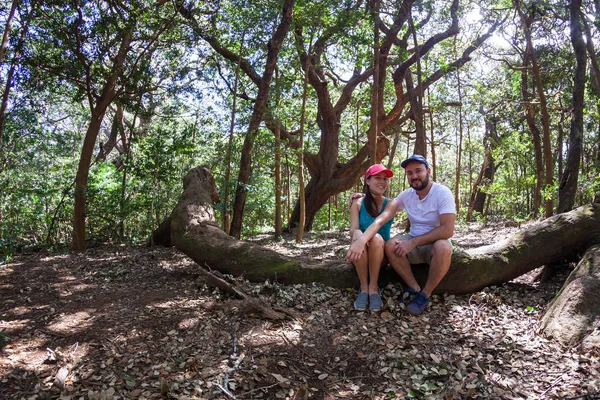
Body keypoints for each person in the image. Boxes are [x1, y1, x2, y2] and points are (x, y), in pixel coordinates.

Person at [346, 154, 456, 315]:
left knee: (444, 247)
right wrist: (364, 196)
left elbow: (447, 230)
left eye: (418, 171)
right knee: (390, 244)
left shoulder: (442, 193)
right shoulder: (407, 195)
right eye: (410, 173)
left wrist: (413, 243)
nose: (414, 176)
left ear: (428, 171)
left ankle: (425, 294)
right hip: (412, 242)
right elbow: (381, 211)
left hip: (434, 243)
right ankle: (413, 287)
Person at [345, 164, 394, 311]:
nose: (382, 182)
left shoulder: (390, 204)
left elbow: (378, 223)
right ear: (367, 181)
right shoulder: (358, 203)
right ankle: (364, 288)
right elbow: (353, 229)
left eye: (385, 179)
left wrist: (361, 240)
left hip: (381, 254)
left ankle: (374, 288)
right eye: (377, 178)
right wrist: (357, 235)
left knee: (377, 238)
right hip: (359, 254)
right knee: (358, 234)